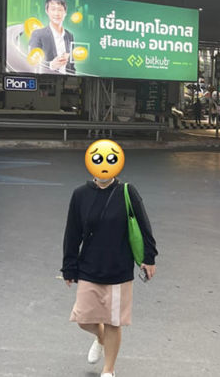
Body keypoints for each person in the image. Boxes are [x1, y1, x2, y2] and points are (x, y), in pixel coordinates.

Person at [62, 140, 157, 377]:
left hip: (119, 267)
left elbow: (144, 226)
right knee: (83, 318)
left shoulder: (127, 192)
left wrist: (149, 257)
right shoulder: (80, 195)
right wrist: (69, 267)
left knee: (115, 321)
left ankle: (108, 370)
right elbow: (72, 233)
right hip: (89, 266)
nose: (104, 165)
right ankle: (100, 338)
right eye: (99, 159)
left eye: (110, 160)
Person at [29, 0, 75, 74]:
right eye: (53, 9)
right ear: (47, 11)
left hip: (68, 81)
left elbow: (72, 65)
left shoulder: (69, 35)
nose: (56, 13)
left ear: (65, 13)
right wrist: (51, 65)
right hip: (45, 80)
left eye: (60, 10)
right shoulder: (38, 34)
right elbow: (32, 63)